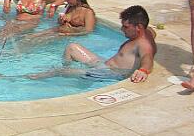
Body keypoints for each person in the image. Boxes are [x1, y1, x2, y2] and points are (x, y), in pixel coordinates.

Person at [26, 6, 156, 83]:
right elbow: (152, 31)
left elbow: (147, 58)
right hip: (104, 64)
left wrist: (143, 70)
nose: (122, 30)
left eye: (126, 27)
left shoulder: (143, 44)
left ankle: (25, 78)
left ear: (139, 27)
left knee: (57, 71)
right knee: (72, 47)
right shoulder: (146, 33)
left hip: (108, 74)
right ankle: (69, 71)